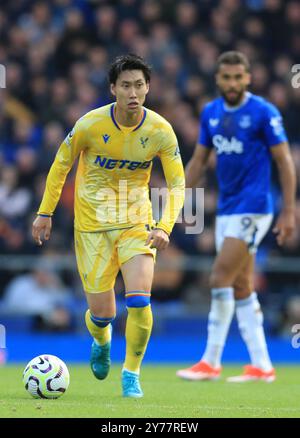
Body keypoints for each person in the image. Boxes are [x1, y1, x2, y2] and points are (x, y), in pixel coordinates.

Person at [32, 54, 185, 397]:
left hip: (136, 222)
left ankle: (131, 373)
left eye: (140, 85)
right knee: (103, 314)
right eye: (127, 85)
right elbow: (60, 167)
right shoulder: (89, 125)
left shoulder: (160, 130)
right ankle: (101, 339)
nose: (134, 92)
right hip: (92, 226)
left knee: (139, 301)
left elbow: (177, 184)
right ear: (113, 88)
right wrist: (46, 212)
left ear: (148, 88)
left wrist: (164, 226)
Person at [177, 51, 296, 383]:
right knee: (242, 286)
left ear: (248, 78)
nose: (232, 83)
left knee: (219, 278)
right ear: (217, 79)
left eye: (237, 77)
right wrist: (176, 199)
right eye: (226, 77)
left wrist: (288, 210)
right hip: (229, 209)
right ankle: (262, 365)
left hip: (256, 206)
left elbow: (285, 161)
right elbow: (199, 161)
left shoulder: (263, 112)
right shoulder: (211, 113)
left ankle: (210, 361)